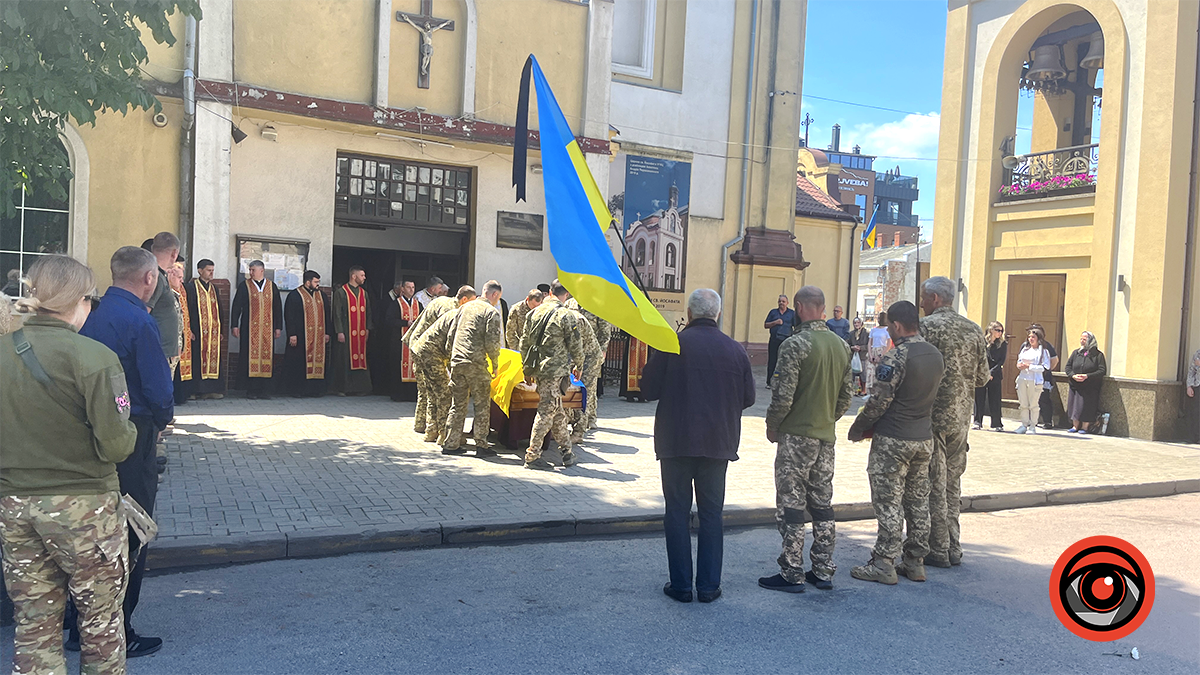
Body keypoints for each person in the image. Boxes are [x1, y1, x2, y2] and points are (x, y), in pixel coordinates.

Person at [0, 255, 137, 673]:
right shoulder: (94, 357)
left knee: (34, 623)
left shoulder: (3, 351)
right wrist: (132, 430)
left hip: (15, 505)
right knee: (100, 622)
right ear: (80, 300)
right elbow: (116, 445)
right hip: (85, 508)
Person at [79, 246, 174, 657]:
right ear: (149, 278)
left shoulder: (89, 315)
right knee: (134, 527)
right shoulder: (139, 320)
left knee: (91, 531)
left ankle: (79, 623)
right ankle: (119, 627)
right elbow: (157, 387)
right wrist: (163, 419)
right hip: (133, 434)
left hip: (87, 434)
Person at [641, 289, 754, 604]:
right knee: (712, 514)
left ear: (689, 314)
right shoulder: (735, 349)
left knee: (677, 512)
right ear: (717, 314)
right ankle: (708, 586)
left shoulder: (672, 344)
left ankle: (681, 585)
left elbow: (647, 389)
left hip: (676, 441)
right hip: (718, 442)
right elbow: (749, 398)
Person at [758, 287, 852, 593]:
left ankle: (792, 570)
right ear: (823, 308)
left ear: (798, 307)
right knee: (822, 504)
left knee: (792, 504)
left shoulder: (794, 344)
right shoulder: (841, 345)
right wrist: (826, 418)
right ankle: (823, 569)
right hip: (825, 436)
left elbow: (783, 396)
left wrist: (773, 425)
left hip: (796, 437)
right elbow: (846, 398)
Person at [847, 301, 945, 585]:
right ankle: (915, 562)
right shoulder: (935, 354)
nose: (889, 330)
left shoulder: (895, 357)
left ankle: (884, 563)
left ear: (898, 325)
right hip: (923, 438)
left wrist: (858, 428)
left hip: (894, 438)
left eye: (890, 325)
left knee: (889, 501)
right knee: (917, 501)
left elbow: (878, 402)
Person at [918, 276, 989, 569]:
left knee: (934, 481)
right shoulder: (974, 329)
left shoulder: (926, 327)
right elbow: (983, 377)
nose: (921, 303)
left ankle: (938, 548)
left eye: (924, 297)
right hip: (961, 417)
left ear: (935, 299)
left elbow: (916, 369)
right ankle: (953, 546)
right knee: (952, 482)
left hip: (932, 415)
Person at [521, 280, 585, 470]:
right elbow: (575, 344)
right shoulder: (566, 315)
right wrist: (579, 365)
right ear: (567, 294)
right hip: (555, 371)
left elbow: (524, 342)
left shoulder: (534, 313)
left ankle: (567, 451)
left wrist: (526, 368)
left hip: (539, 369)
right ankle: (532, 455)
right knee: (546, 412)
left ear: (549, 292)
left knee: (556, 411)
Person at [442, 282, 503, 456]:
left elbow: (451, 335)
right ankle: (481, 445)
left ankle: (450, 444)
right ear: (494, 295)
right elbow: (492, 342)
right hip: (476, 364)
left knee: (457, 405)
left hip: (458, 362)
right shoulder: (491, 312)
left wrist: (451, 359)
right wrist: (495, 365)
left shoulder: (464, 308)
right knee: (482, 405)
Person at [405, 293, 461, 437]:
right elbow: (448, 337)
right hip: (428, 349)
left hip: (418, 345)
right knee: (440, 391)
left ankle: (422, 424)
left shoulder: (443, 300)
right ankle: (438, 428)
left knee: (426, 388)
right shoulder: (451, 309)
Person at [230, 260, 283, 399]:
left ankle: (265, 390)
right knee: (249, 357)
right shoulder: (245, 286)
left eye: (253, 270)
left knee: (267, 357)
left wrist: (278, 327)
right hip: (249, 329)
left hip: (267, 330)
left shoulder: (271, 286)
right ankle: (251, 390)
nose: (251, 273)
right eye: (250, 270)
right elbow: (237, 306)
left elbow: (277, 308)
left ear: (262, 271)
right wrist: (234, 325)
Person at [283, 271, 332, 398]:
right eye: (315, 282)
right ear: (308, 282)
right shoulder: (295, 295)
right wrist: (292, 334)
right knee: (299, 363)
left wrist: (327, 332)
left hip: (318, 336)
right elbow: (289, 316)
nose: (318, 284)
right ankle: (298, 390)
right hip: (301, 336)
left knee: (318, 361)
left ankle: (315, 390)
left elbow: (327, 314)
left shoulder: (321, 296)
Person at [184, 259, 225, 399]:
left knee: (213, 359)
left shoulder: (214, 289)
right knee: (197, 359)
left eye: (213, 270)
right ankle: (195, 391)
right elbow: (187, 309)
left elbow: (220, 310)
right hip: (197, 331)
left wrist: (221, 330)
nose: (211, 273)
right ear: (200, 271)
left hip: (213, 332)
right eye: (208, 270)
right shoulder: (191, 287)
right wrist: (188, 329)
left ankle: (211, 389)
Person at [564, 301, 604, 444]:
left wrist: (578, 367)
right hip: (577, 356)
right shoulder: (566, 311)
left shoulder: (575, 319)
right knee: (570, 392)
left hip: (590, 357)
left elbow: (576, 347)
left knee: (584, 393)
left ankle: (578, 432)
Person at [330, 266, 373, 395]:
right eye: (362, 275)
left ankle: (360, 388)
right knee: (344, 359)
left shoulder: (364, 293)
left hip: (361, 333)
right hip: (346, 331)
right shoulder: (341, 292)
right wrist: (339, 331)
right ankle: (343, 388)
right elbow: (337, 313)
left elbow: (368, 313)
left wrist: (368, 328)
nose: (364, 278)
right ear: (354, 276)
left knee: (361, 358)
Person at [146, 232, 182, 373]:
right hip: (158, 353)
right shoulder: (155, 277)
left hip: (162, 351)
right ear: (174, 253)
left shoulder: (159, 274)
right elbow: (144, 313)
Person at [383, 280, 421, 401]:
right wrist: (405, 323)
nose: (411, 290)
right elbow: (389, 320)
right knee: (398, 367)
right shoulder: (396, 304)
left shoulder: (418, 304)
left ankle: (412, 395)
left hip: (414, 343)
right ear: (402, 289)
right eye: (408, 287)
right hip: (399, 342)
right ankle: (398, 394)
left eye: (413, 287)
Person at [1065, 331, 1107, 434]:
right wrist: (1073, 375)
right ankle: (1075, 426)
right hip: (1076, 385)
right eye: (1081, 339)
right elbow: (1068, 367)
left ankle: (1085, 427)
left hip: (1090, 386)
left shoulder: (1098, 355)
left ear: (1091, 341)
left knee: (1087, 406)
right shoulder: (1076, 353)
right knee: (1074, 406)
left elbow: (1102, 370)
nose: (1082, 341)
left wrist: (1087, 376)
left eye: (1084, 339)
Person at [1013, 327, 1051, 434]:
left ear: (1038, 338)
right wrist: (1020, 365)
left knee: (1033, 404)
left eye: (1033, 337)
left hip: (1035, 381)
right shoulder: (1025, 349)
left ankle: (1033, 426)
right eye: (1029, 337)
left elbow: (1045, 367)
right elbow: (1019, 361)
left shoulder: (1043, 352)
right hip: (1022, 378)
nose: (1031, 339)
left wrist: (1030, 366)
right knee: (1023, 403)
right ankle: (1024, 425)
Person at [974, 321, 1007, 431]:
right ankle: (977, 422)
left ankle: (997, 424)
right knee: (979, 398)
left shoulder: (1002, 344)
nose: (1000, 333)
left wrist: (991, 373)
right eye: (998, 330)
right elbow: (978, 358)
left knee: (995, 399)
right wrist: (984, 372)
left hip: (995, 374)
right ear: (991, 330)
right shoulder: (982, 342)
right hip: (981, 374)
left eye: (1001, 331)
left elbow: (1001, 361)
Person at [1030, 323, 1060, 429]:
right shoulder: (1026, 346)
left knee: (1044, 399)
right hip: (1029, 377)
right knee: (1030, 399)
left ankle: (1047, 421)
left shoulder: (1047, 346)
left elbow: (1055, 360)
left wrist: (1046, 370)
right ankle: (1031, 420)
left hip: (1043, 378)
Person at [763, 295, 795, 386]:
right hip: (774, 340)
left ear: (787, 303)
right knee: (772, 361)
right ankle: (770, 382)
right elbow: (766, 325)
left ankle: (784, 382)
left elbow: (796, 326)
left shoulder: (792, 313)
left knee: (786, 361)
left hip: (786, 341)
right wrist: (775, 322)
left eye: (783, 301)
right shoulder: (773, 312)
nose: (781, 303)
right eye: (780, 301)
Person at [865, 312, 892, 392]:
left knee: (880, 373)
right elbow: (870, 342)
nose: (879, 320)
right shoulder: (873, 330)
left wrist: (881, 355)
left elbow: (889, 343)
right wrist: (870, 354)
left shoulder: (887, 330)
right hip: (873, 350)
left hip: (882, 350)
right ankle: (870, 391)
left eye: (880, 318)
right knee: (870, 373)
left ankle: (878, 391)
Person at [848, 316, 870, 395]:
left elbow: (869, 345)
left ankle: (864, 390)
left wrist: (861, 348)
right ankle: (853, 389)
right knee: (852, 374)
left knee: (863, 373)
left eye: (858, 322)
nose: (856, 324)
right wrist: (852, 347)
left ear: (861, 323)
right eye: (855, 323)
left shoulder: (866, 333)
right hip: (854, 356)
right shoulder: (851, 334)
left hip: (863, 356)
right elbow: (847, 343)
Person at [1187, 347, 1200, 443]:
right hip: (1197, 386)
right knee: (1196, 412)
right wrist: (1189, 386)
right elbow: (1191, 371)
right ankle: (1195, 437)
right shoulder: (1198, 354)